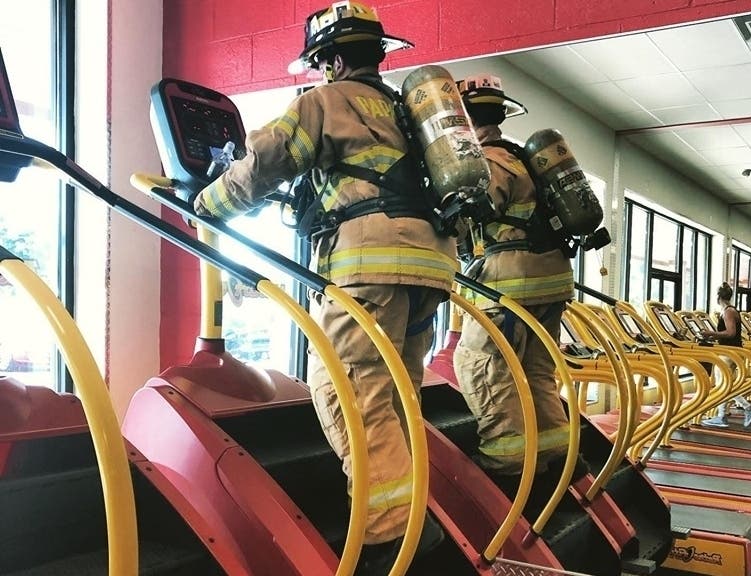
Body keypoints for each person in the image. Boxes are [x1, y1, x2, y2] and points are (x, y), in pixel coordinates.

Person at [194, 3, 452, 573]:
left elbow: (266, 158)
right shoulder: (404, 112)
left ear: (331, 59)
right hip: (430, 269)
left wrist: (208, 204)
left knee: (347, 392)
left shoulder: (325, 101)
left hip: (368, 263)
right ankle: (413, 519)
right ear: (378, 55)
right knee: (397, 396)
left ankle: (392, 533)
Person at [452, 74, 580, 483]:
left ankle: (507, 465)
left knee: (479, 363)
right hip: (552, 282)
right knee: (536, 370)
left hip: (511, 286)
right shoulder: (523, 158)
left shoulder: (488, 161)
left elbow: (471, 213)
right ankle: (558, 455)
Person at [699, 282, 751, 428]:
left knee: (723, 385)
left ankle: (748, 408)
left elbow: (730, 332)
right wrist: (714, 337)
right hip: (731, 351)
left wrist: (710, 333)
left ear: (718, 297)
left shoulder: (728, 312)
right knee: (725, 384)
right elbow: (728, 334)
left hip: (729, 352)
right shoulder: (729, 310)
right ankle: (721, 416)